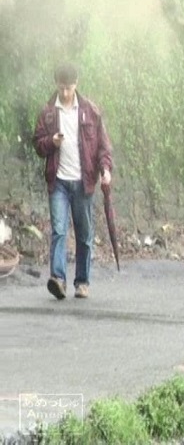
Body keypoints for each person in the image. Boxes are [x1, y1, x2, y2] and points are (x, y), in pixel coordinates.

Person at [32, 63, 113, 300]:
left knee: (84, 234)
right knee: (58, 230)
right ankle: (58, 279)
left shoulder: (90, 111)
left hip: (83, 181)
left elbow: (103, 147)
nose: (65, 93)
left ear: (76, 85)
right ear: (56, 85)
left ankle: (82, 281)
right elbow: (38, 143)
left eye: (68, 88)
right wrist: (51, 142)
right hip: (58, 181)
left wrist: (105, 169)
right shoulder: (48, 112)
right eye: (61, 88)